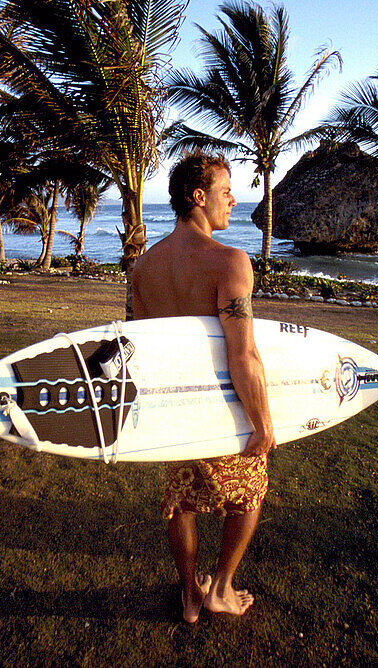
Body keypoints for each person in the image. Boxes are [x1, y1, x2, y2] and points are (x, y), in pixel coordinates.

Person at [131, 151, 277, 623]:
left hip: (174, 410)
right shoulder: (229, 261)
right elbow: (243, 353)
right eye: (226, 191)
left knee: (182, 503)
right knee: (250, 491)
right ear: (199, 196)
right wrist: (262, 423)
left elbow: (140, 347)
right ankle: (221, 589)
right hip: (223, 408)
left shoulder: (143, 269)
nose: (234, 200)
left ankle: (189, 596)